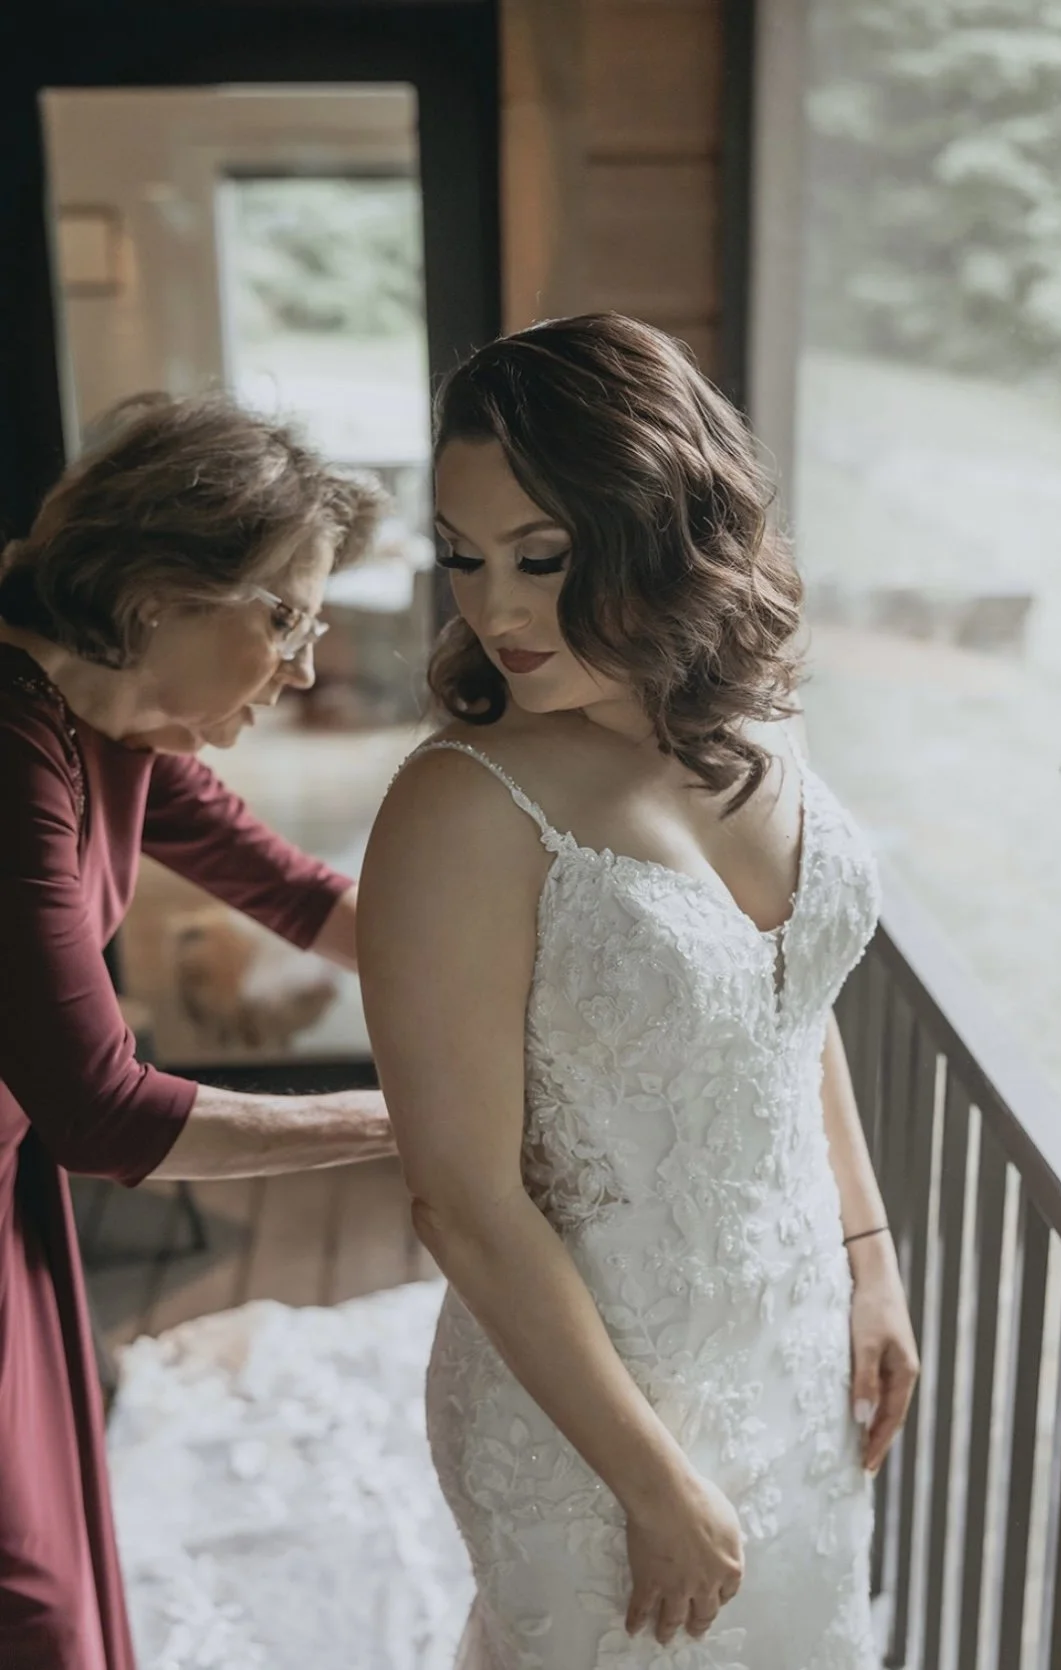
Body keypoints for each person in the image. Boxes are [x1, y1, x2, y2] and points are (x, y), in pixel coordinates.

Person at [357, 313, 920, 1668]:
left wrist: (868, 1256)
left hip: (794, 1354)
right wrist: (652, 1483)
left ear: (658, 532)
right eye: (464, 556)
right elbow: (466, 1203)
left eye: (540, 559)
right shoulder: (461, 805)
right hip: (586, 1420)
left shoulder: (756, 726)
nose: (490, 610)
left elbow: (786, 1008)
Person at [0, 392, 396, 1670]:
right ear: (162, 589)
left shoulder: (109, 721)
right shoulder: (14, 749)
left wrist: (539, 978)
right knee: (34, 1609)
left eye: (314, 621)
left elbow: (303, 895)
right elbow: (104, 1110)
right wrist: (416, 1125)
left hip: (8, 1202)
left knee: (58, 1573)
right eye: (283, 615)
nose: (303, 666)